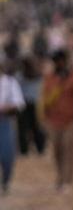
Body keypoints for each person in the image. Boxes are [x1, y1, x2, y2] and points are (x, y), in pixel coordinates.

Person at [42, 49, 73, 193]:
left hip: (72, 121)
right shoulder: (51, 78)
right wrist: (46, 117)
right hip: (54, 120)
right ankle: (60, 178)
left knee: (69, 151)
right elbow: (45, 98)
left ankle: (67, 181)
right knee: (57, 151)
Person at [0, 61, 24, 195]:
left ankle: (5, 181)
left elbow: (18, 104)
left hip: (5, 121)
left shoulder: (9, 82)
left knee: (6, 155)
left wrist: (6, 108)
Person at [16, 56, 44, 156]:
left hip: (24, 104)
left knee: (23, 128)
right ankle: (40, 148)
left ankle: (24, 150)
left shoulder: (20, 76)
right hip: (33, 103)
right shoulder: (37, 75)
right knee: (36, 127)